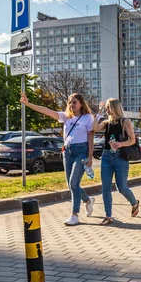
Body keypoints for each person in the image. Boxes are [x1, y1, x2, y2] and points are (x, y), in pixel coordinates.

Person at [20, 92, 95, 225]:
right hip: (67, 151)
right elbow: (47, 111)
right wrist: (28, 104)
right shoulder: (66, 117)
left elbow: (90, 138)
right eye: (70, 102)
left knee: (73, 183)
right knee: (71, 184)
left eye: (75, 102)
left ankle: (74, 215)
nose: (72, 105)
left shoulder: (88, 118)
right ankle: (88, 201)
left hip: (81, 152)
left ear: (81, 104)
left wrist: (90, 157)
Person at [92, 98, 140, 225]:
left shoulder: (125, 121)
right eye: (106, 107)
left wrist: (120, 144)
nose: (107, 109)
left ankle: (134, 203)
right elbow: (94, 128)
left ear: (115, 107)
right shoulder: (106, 123)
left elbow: (132, 140)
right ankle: (108, 216)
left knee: (122, 188)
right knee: (106, 188)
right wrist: (99, 113)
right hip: (106, 157)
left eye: (108, 107)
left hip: (120, 157)